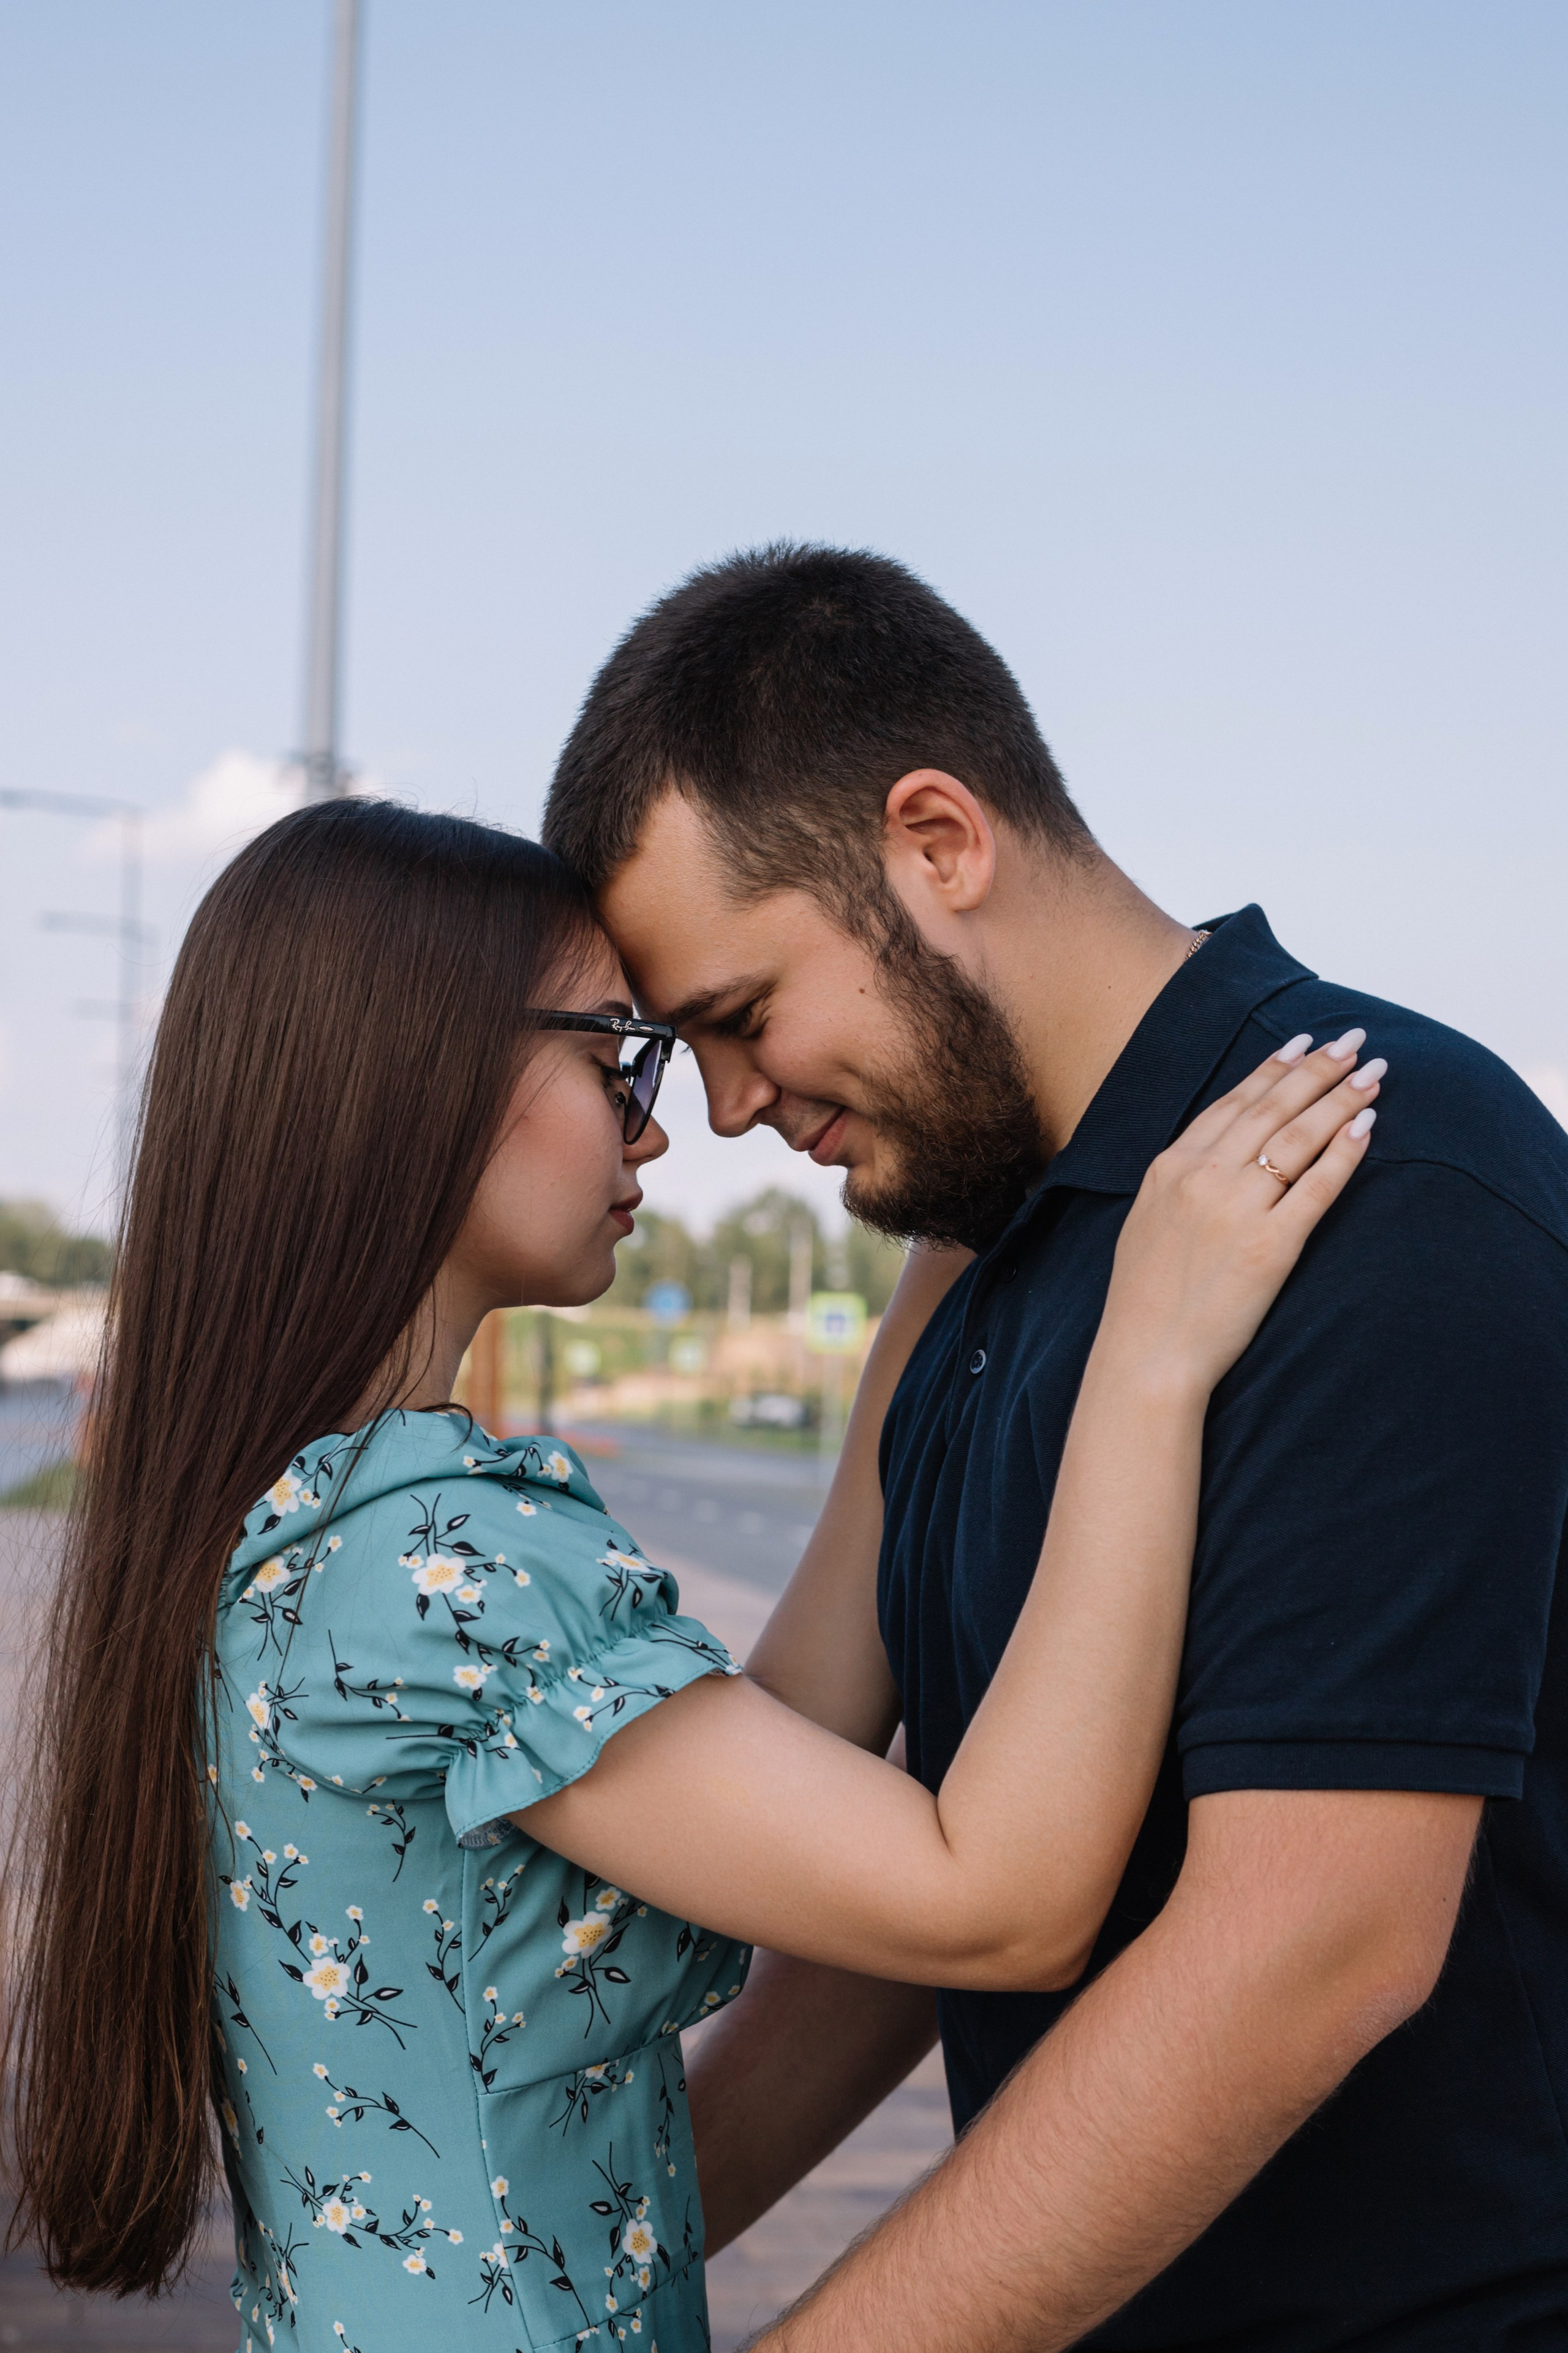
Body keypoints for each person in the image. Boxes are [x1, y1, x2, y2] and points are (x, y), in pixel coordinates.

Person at [4, 799, 1371, 2352]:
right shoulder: (440, 1562)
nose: (658, 1125)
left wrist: (943, 1252)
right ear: (422, 1084)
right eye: (614, 1060)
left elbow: (763, 1736)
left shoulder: (309, 1528)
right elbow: (998, 1898)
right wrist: (1147, 1354)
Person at [540, 543, 1568, 2352]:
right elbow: (923, 1904)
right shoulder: (991, 1253)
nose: (723, 1107)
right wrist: (554, 2284)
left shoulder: (1380, 1183)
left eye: (740, 1014)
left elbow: (1308, 1950)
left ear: (938, 840)